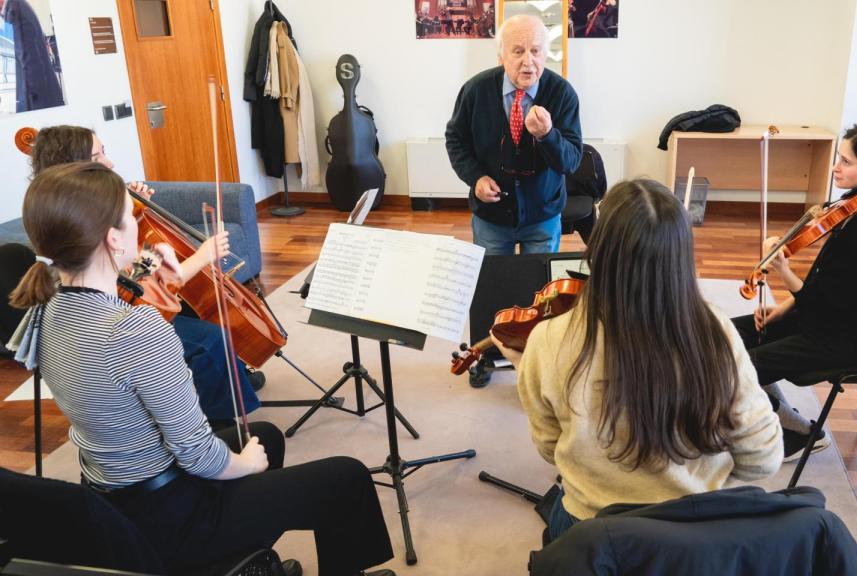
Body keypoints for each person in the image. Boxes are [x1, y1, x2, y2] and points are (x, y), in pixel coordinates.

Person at [8, 162, 394, 576]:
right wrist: (246, 464)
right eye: (132, 214)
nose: (141, 222)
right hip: (169, 516)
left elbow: (106, 291)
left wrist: (149, 267)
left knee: (265, 435)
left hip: (111, 497)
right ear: (112, 238)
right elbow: (197, 454)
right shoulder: (136, 329)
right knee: (346, 479)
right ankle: (222, 551)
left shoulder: (44, 303)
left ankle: (242, 560)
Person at [492, 179, 783, 542]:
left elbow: (552, 450)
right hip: (695, 534)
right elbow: (764, 459)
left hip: (592, 531)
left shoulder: (547, 340)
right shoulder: (715, 331)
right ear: (680, 254)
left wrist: (527, 370)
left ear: (598, 248)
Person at [28, 125, 263, 426]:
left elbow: (128, 271)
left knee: (198, 309)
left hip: (119, 304)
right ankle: (220, 422)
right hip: (120, 316)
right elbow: (133, 286)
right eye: (98, 156)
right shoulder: (78, 223)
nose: (110, 164)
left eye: (105, 152)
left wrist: (131, 212)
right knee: (210, 340)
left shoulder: (62, 207)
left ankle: (230, 376)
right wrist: (199, 257)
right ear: (76, 166)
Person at [731, 119, 857, 462]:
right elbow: (826, 279)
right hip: (817, 317)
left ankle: (799, 431)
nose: (836, 167)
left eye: (846, 162)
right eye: (839, 157)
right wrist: (784, 308)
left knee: (731, 369)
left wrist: (784, 271)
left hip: (839, 337)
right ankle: (769, 414)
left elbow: (829, 305)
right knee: (721, 336)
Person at [446, 14, 582, 255]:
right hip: (492, 217)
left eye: (536, 51)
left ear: (545, 54)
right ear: (501, 56)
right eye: (518, 51)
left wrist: (547, 135)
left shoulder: (562, 93)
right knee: (496, 284)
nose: (528, 61)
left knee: (540, 288)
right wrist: (476, 177)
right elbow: (456, 140)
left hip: (543, 215)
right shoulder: (475, 90)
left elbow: (571, 161)